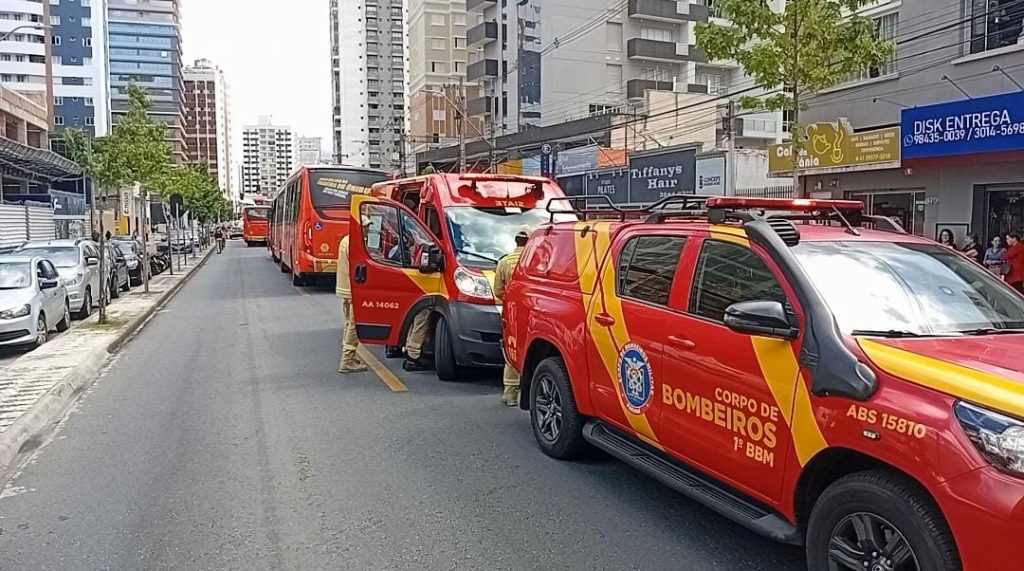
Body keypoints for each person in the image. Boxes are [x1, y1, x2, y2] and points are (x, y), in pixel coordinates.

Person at [493, 226, 530, 407]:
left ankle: (510, 394)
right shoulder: (535, 261)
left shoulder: (505, 262)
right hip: (532, 313)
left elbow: (498, 291)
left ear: (516, 241)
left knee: (511, 349)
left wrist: (509, 301)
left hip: (512, 312)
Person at [336, 232, 368, 374]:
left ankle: (349, 357)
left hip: (344, 287)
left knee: (349, 322)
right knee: (354, 325)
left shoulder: (346, 240)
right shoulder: (355, 243)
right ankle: (347, 360)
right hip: (352, 289)